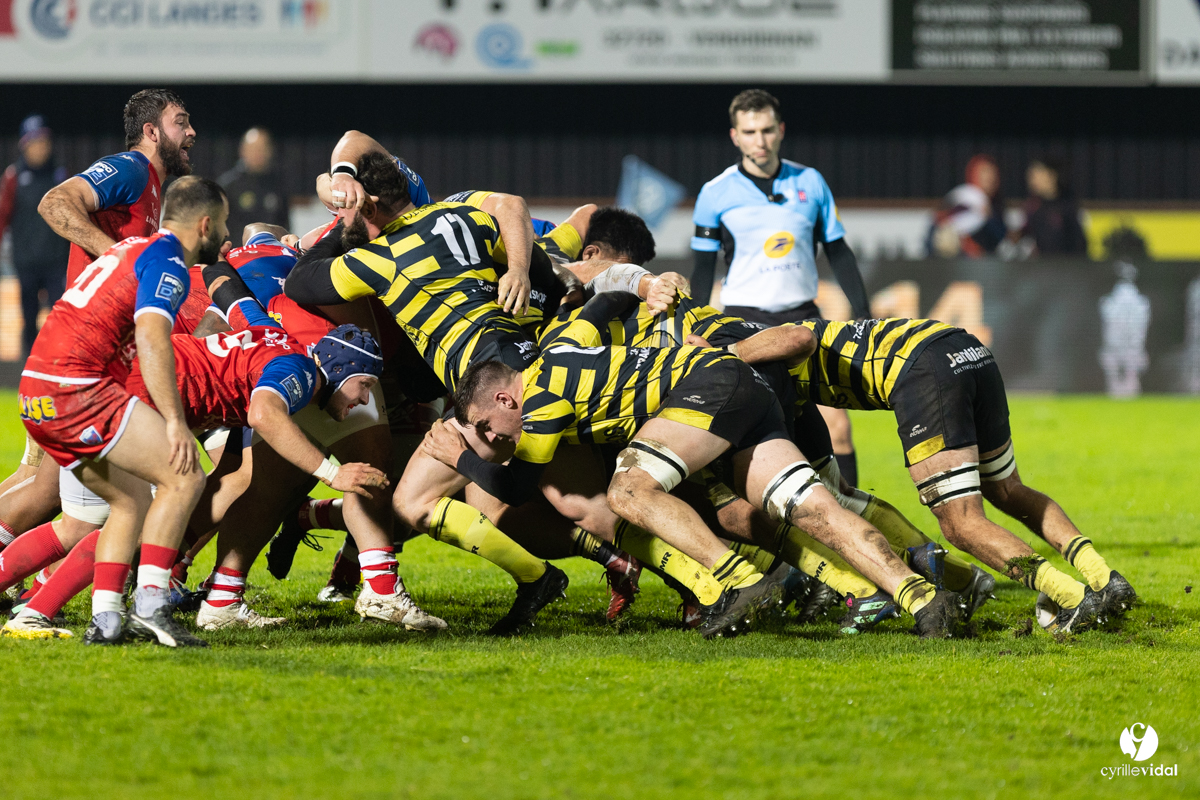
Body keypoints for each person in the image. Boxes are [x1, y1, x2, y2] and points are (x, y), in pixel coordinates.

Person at [426, 291, 965, 640]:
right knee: (814, 508)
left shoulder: (539, 401)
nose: (494, 437)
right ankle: (922, 599)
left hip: (704, 386)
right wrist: (643, 286)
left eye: (487, 427)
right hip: (744, 386)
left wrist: (460, 456)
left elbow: (516, 487)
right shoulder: (562, 346)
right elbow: (606, 303)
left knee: (629, 492)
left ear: (502, 400)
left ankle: (737, 581)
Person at [17, 175, 225, 647]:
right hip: (77, 388)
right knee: (185, 474)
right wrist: (175, 422)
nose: (225, 232)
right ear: (206, 224)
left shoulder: (130, 249)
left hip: (38, 391)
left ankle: (107, 618)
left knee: (130, 502)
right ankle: (152, 606)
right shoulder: (167, 260)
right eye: (224, 223)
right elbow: (153, 338)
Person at [691, 89, 868, 487]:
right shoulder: (715, 192)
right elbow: (702, 268)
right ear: (735, 136)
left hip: (804, 319)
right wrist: (695, 324)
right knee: (761, 431)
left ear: (781, 130)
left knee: (837, 427)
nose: (760, 139)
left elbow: (839, 251)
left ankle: (855, 519)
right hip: (743, 321)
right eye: (750, 131)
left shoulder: (811, 181)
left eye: (767, 129)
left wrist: (863, 310)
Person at [0, 115, 69, 355]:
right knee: (29, 317)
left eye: (44, 142)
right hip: (26, 261)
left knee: (60, 314)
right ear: (24, 146)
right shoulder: (14, 176)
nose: (41, 148)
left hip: (56, 261)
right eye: (35, 142)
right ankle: (26, 368)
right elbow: (3, 216)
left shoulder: (61, 175)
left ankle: (59, 364)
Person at [929, 154, 1007, 258]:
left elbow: (999, 238)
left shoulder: (997, 206)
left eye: (993, 173)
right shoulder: (958, 201)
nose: (990, 177)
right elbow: (933, 234)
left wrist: (989, 217)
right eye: (984, 172)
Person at [218, 127, 291, 237]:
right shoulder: (228, 185)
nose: (258, 154)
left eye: (262, 149)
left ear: (270, 151)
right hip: (237, 251)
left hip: (271, 251)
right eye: (254, 149)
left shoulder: (278, 185)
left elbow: (285, 224)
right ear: (242, 151)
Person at [1021, 158, 1087, 257]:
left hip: (1065, 265)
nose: (1032, 180)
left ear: (1052, 175)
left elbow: (1079, 243)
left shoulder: (1068, 205)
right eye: (1030, 176)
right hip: (1039, 268)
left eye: (1036, 174)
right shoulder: (1032, 206)